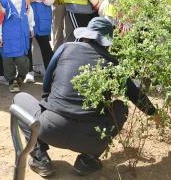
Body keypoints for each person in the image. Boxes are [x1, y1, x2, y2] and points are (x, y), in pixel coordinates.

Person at [13, 18, 157, 177]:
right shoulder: (112, 63)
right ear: (107, 42)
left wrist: (50, 107)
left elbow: (46, 85)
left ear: (86, 36)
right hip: (90, 138)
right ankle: (87, 160)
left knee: (19, 99)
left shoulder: (65, 48)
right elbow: (134, 94)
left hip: (50, 129)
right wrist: (155, 114)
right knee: (120, 107)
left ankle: (40, 158)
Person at [22, 0, 54, 75]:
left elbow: (51, 0)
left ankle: (51, 72)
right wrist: (30, 0)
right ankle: (28, 72)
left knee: (45, 46)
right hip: (28, 21)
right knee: (27, 47)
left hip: (43, 21)